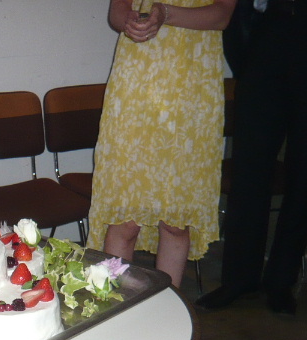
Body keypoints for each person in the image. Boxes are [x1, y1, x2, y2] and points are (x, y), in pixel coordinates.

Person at [196, 0, 307, 314]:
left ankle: (281, 281)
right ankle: (239, 279)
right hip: (271, 36)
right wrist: (248, 57)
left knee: (305, 173)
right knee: (249, 170)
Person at [88, 0, 236, 288]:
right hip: (136, 84)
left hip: (193, 88)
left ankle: (170, 303)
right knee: (124, 219)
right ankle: (114, 306)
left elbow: (221, 15)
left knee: (176, 223)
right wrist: (128, 21)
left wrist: (165, 14)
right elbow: (118, 10)